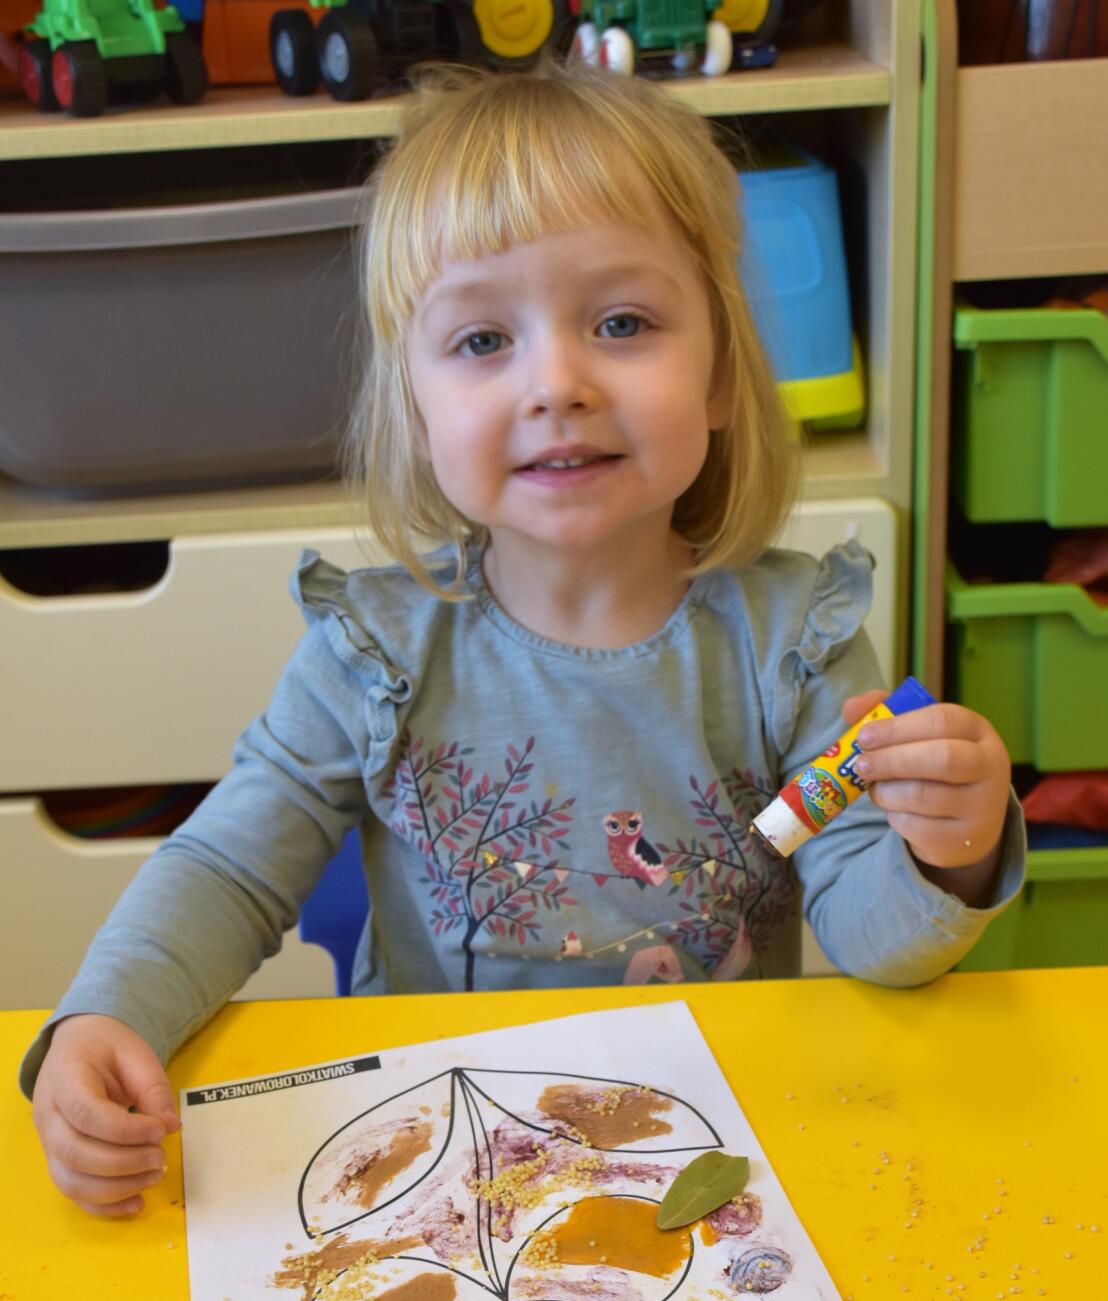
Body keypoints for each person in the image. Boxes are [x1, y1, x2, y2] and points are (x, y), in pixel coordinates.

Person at [23, 61, 1024, 1217]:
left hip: (710, 1147)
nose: (557, 383)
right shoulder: (372, 654)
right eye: (484, 339)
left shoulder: (793, 641)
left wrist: (950, 851)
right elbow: (227, 870)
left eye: (621, 323)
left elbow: (869, 936)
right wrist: (106, 1015)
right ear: (416, 407)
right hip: (437, 1156)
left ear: (718, 378)